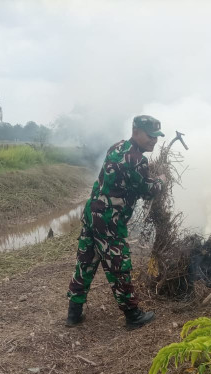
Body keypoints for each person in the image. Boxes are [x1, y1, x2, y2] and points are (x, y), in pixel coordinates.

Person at [65, 115, 167, 329]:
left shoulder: (116, 147)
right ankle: (133, 315)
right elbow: (148, 191)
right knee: (118, 265)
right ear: (136, 131)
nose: (154, 141)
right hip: (109, 222)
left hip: (92, 214)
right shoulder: (137, 160)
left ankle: (73, 314)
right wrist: (161, 181)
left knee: (86, 262)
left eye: (156, 137)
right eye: (150, 136)